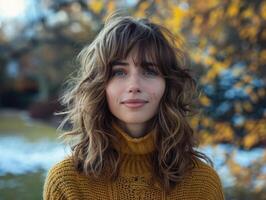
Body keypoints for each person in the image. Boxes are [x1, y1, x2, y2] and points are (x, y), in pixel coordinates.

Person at [43, 14, 225, 200]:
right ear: (100, 85)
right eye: (119, 72)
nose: (134, 85)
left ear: (167, 85)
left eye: (149, 71)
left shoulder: (202, 183)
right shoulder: (67, 181)